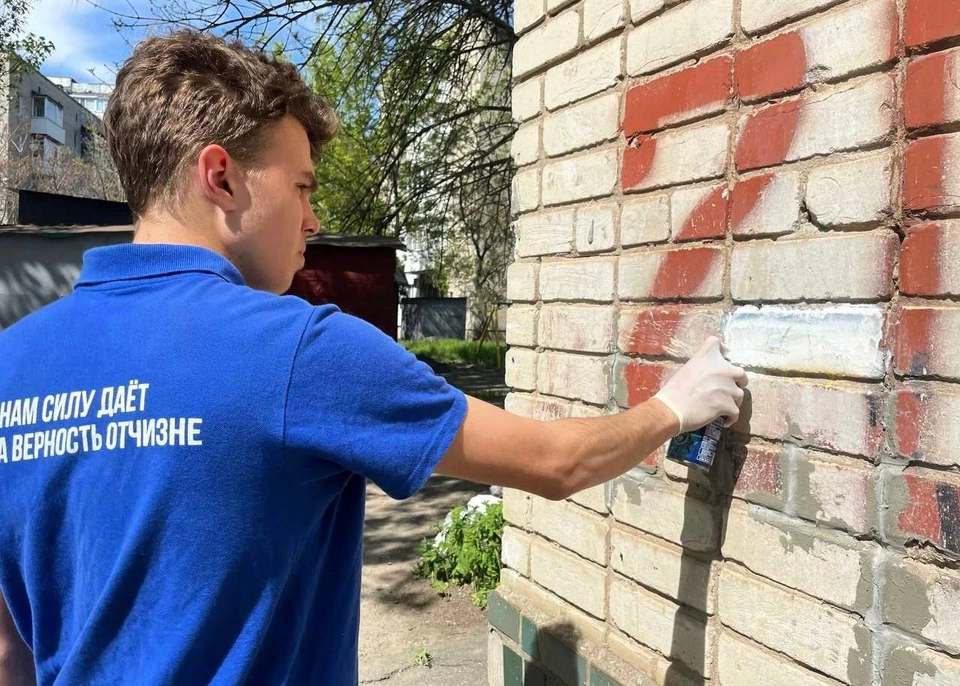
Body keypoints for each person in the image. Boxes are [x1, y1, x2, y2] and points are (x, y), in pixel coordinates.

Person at [0, 30, 746, 684]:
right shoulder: (298, 350)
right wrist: (677, 405)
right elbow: (555, 463)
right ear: (220, 175)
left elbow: (10, 656)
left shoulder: (12, 363)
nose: (314, 217)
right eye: (300, 186)